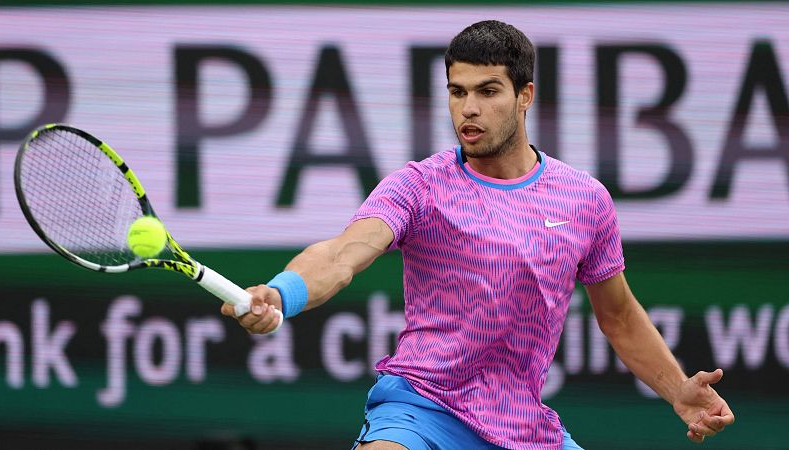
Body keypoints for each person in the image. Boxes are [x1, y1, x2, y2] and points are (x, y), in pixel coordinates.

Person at [221, 20, 735, 450]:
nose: (468, 109)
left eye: (488, 92)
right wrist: (281, 294)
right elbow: (342, 253)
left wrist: (676, 392)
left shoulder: (585, 199)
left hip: (521, 423)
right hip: (422, 407)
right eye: (457, 91)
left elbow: (618, 316)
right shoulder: (418, 186)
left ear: (524, 96)